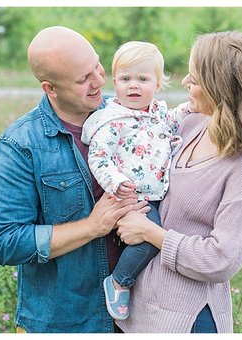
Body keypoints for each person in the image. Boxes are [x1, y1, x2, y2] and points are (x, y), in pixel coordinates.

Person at [114, 31, 242, 333]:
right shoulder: (192, 123)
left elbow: (221, 260)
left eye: (194, 77)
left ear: (219, 87)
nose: (184, 82)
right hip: (138, 310)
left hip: (186, 320)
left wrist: (150, 232)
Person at [0, 26, 147, 333]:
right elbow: (4, 242)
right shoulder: (20, 146)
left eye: (97, 66)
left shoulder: (129, 113)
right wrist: (92, 226)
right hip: (65, 323)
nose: (99, 80)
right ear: (50, 88)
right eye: (83, 79)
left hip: (141, 319)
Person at [79, 41, 190, 320]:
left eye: (143, 79)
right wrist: (115, 182)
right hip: (129, 197)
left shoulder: (159, 113)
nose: (134, 86)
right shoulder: (112, 121)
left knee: (156, 234)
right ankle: (119, 281)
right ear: (114, 82)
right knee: (151, 237)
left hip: (155, 194)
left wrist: (190, 108)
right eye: (126, 79)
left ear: (158, 84)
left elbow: (176, 119)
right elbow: (99, 158)